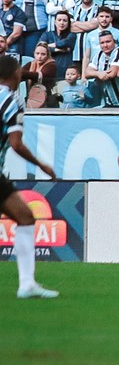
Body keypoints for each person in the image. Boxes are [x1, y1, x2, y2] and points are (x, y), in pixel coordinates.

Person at [0, 56, 58, 298]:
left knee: (24, 216)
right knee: (25, 218)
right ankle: (26, 284)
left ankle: (27, 284)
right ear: (15, 74)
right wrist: (41, 164)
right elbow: (16, 144)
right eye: (20, 72)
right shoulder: (12, 101)